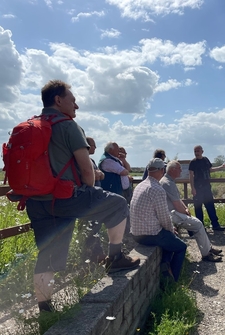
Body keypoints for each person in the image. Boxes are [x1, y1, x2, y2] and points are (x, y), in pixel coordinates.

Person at [26, 80, 140, 313]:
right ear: (58, 100)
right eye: (73, 101)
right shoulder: (68, 126)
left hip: (37, 201)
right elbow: (86, 170)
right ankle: (115, 258)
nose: (76, 106)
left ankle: (45, 310)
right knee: (118, 204)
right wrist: (89, 187)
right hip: (66, 198)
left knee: (48, 255)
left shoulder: (32, 126)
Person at [130, 158, 187, 282]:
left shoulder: (140, 185)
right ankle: (172, 281)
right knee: (181, 246)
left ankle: (165, 264)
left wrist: (170, 230)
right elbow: (164, 218)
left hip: (135, 233)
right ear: (162, 170)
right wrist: (172, 229)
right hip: (150, 235)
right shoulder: (157, 189)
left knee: (169, 237)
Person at [160, 161, 223, 262]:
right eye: (179, 168)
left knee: (198, 224)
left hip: (173, 212)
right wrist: (185, 212)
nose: (181, 170)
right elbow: (176, 204)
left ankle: (208, 249)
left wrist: (185, 208)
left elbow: (178, 200)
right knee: (198, 224)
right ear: (172, 170)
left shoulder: (168, 180)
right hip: (171, 214)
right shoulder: (167, 183)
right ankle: (206, 254)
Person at [80, 137, 106, 263]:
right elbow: (93, 174)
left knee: (95, 226)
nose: (95, 147)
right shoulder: (83, 160)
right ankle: (95, 255)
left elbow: (100, 174)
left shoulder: (91, 160)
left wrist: (98, 174)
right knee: (92, 227)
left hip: (94, 199)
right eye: (93, 145)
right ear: (87, 146)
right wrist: (97, 174)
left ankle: (94, 254)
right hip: (88, 199)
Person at [188, 145, 225, 231]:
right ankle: (201, 227)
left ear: (202, 151)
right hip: (197, 189)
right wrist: (192, 188)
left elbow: (210, 169)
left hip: (207, 188)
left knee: (210, 207)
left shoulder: (205, 160)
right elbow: (191, 175)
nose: (196, 153)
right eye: (195, 151)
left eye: (198, 151)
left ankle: (215, 225)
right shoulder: (193, 162)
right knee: (198, 209)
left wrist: (221, 167)